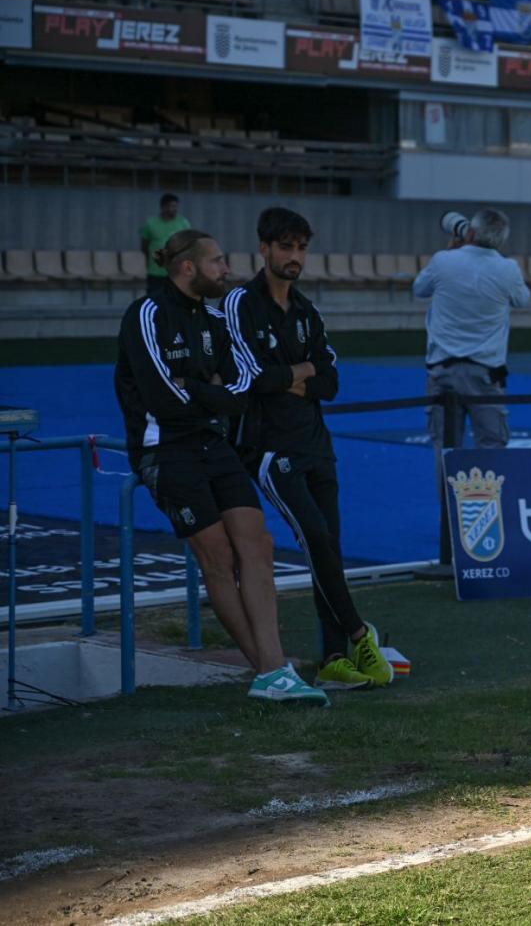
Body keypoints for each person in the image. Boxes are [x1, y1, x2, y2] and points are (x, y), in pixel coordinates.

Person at [114, 229, 326, 705]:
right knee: (217, 557)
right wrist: (208, 392)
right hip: (165, 451)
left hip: (214, 444)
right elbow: (162, 399)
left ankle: (273, 670)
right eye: (217, 262)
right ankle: (271, 671)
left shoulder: (214, 319)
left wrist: (199, 387)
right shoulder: (146, 315)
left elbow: (243, 389)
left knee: (259, 543)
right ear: (188, 268)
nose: (226, 270)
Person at [222, 208, 394, 691]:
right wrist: (302, 373)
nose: (294, 257)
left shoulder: (307, 311)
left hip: (317, 445)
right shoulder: (239, 304)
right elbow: (253, 378)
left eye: (300, 248)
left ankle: (334, 656)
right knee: (315, 537)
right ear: (264, 249)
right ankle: (359, 632)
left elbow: (332, 382)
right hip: (270, 449)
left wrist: (290, 375)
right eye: (285, 247)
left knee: (329, 547)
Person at [413, 208, 529, 451]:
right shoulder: (508, 268)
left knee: (445, 448)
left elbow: (419, 289)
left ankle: (446, 490)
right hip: (486, 372)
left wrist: (452, 251)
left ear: (471, 232)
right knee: (492, 446)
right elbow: (522, 300)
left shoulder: (443, 260)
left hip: (442, 370)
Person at [139, 193, 193, 298]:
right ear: (163, 207)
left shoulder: (183, 223)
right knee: (153, 298)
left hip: (176, 271)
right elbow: (144, 246)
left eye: (176, 206)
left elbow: (188, 244)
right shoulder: (151, 223)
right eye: (172, 206)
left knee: (175, 299)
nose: (175, 209)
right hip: (155, 271)